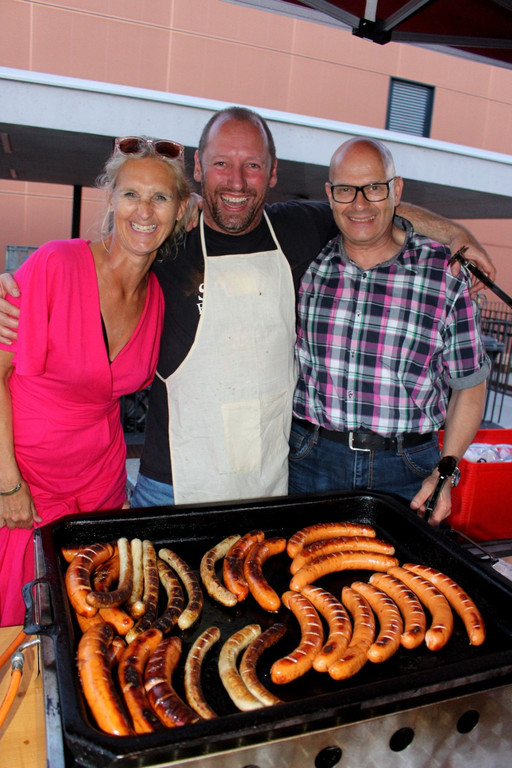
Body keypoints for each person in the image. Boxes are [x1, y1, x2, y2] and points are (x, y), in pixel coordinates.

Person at [0, 108, 495, 509]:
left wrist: (457, 236)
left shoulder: (300, 228)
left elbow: (368, 207)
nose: (237, 181)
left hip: (270, 484)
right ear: (198, 169)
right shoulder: (168, 240)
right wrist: (14, 286)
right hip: (171, 485)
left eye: (253, 165)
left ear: (272, 174)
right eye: (222, 164)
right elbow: (104, 254)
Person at [0, 136, 189, 625]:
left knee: (84, 624)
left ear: (180, 209)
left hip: (99, 487)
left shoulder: (160, 297)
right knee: (14, 626)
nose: (143, 211)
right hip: (25, 482)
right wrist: (7, 485)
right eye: (131, 194)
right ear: (110, 197)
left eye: (160, 197)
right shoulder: (56, 263)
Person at [288, 137, 490, 525]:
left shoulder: (443, 275)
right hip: (312, 462)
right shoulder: (307, 265)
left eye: (374, 189)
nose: (360, 204)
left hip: (408, 470)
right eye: (346, 190)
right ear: (330, 195)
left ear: (395, 190)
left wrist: (446, 471)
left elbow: (470, 384)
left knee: (401, 584)